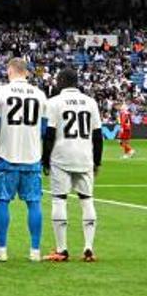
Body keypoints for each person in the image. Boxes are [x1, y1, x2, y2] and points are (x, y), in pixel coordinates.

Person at [0, 58, 49, 262]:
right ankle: (35, 251)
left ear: (10, 70)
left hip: (6, 154)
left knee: (2, 201)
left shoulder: (0, 92)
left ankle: (1, 250)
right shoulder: (40, 95)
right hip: (31, 156)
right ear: (27, 72)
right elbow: (44, 128)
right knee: (34, 202)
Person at [43, 68, 103, 262]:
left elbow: (50, 134)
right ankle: (88, 248)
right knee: (87, 200)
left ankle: (62, 249)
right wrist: (97, 161)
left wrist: (45, 159)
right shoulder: (91, 102)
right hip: (85, 157)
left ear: (61, 81)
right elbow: (97, 136)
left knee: (59, 200)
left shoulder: (54, 102)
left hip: (61, 156)